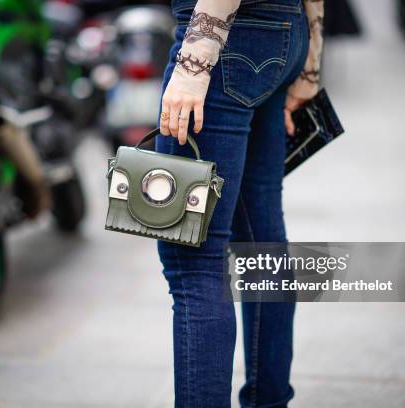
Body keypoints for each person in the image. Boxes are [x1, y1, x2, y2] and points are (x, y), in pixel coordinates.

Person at [156, 0, 324, 407]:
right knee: (261, 244)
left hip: (223, 34)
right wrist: (311, 59)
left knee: (195, 261)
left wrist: (195, 61)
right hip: (286, 29)